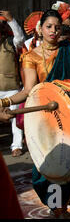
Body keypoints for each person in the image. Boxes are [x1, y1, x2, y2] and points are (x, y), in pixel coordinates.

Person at [0, 9, 70, 218]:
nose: (53, 31)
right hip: (46, 120)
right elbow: (29, 90)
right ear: (40, 29)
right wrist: (5, 101)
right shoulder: (32, 57)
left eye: (57, 27)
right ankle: (56, 207)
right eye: (49, 26)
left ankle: (64, 207)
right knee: (51, 168)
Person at [0, 11, 25, 157]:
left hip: (11, 89)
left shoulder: (10, 43)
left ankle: (16, 146)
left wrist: (11, 20)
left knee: (14, 117)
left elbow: (20, 38)